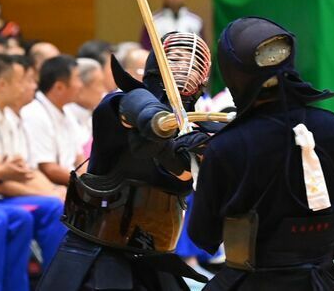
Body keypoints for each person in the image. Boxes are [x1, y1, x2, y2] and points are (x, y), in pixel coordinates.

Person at [184, 17, 334, 290]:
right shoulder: (330, 125)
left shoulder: (227, 145)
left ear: (232, 71)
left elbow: (204, 236)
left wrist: (201, 170)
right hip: (323, 281)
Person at [37, 31, 213, 291]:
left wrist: (180, 147)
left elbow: (182, 175)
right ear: (154, 65)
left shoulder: (196, 132)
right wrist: (154, 122)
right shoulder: (119, 104)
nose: (183, 66)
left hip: (154, 258)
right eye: (174, 57)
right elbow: (132, 106)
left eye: (190, 59)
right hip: (97, 251)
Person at [0, 54, 67, 276]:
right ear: (3, 84)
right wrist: (49, 196)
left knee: (31, 212)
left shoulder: (5, 115)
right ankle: (56, 282)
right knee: (50, 208)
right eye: (25, 81)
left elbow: (23, 171)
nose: (32, 86)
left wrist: (53, 190)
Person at [22, 55, 85, 186]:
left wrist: (92, 182)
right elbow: (48, 169)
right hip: (49, 186)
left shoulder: (67, 110)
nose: (81, 85)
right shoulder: (34, 114)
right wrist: (84, 185)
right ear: (59, 87)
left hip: (70, 183)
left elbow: (79, 158)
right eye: (78, 78)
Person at [64, 58, 106, 157]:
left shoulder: (91, 116)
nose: (103, 91)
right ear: (81, 86)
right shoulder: (66, 115)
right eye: (99, 84)